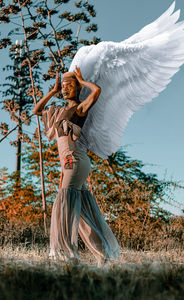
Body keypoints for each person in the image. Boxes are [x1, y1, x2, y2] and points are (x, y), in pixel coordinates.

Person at [32, 66, 120, 266]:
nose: (65, 89)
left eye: (69, 85)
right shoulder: (58, 112)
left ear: (77, 88)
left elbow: (96, 91)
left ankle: (65, 256)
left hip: (75, 159)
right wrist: (52, 92)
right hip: (69, 163)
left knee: (63, 204)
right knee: (81, 213)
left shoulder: (79, 109)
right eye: (63, 86)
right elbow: (37, 110)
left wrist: (81, 80)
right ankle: (104, 255)